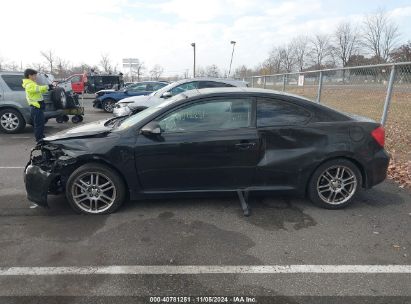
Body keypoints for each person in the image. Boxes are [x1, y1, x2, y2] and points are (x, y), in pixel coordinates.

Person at [22, 69, 53, 141]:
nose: (36, 77)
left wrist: (48, 88)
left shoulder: (32, 83)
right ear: (30, 75)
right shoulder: (29, 84)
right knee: (39, 125)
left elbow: (39, 90)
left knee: (40, 124)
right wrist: (47, 86)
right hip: (36, 107)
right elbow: (37, 89)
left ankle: (41, 137)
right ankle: (39, 139)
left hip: (38, 107)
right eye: (34, 75)